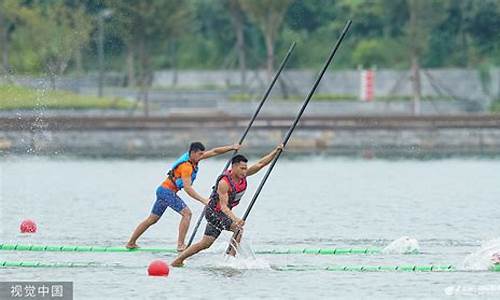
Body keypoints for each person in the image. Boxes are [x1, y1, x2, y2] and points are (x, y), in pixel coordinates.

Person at [171, 145, 283, 267]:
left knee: (205, 244)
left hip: (221, 213)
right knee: (238, 229)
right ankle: (230, 260)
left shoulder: (243, 174)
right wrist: (236, 219)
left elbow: (261, 164)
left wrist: (276, 152)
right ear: (234, 167)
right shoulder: (224, 183)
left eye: (246, 168)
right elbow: (223, 207)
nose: (245, 171)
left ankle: (177, 261)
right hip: (214, 212)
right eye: (242, 168)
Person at [126, 142, 240, 251]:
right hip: (166, 192)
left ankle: (131, 243)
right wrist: (203, 200)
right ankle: (180, 245)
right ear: (193, 153)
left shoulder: (195, 158)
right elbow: (187, 188)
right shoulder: (186, 167)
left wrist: (232, 147)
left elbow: (215, 151)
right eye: (200, 154)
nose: (202, 156)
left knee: (152, 219)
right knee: (187, 214)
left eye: (202, 154)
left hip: (162, 191)